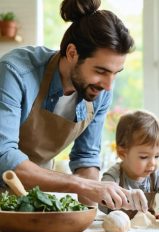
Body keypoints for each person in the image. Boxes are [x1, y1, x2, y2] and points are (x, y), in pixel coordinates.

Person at [0, 0, 136, 210]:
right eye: (101, 71)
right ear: (72, 53)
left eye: (115, 74)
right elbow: (4, 157)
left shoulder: (98, 91)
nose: (109, 85)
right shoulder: (15, 72)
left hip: (29, 202)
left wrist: (95, 207)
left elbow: (86, 158)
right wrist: (82, 185)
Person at [99, 110, 159, 217]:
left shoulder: (156, 174)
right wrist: (121, 198)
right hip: (120, 230)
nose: (153, 163)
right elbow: (102, 201)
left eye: (157, 156)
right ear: (122, 153)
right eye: (144, 157)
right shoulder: (113, 175)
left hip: (147, 228)